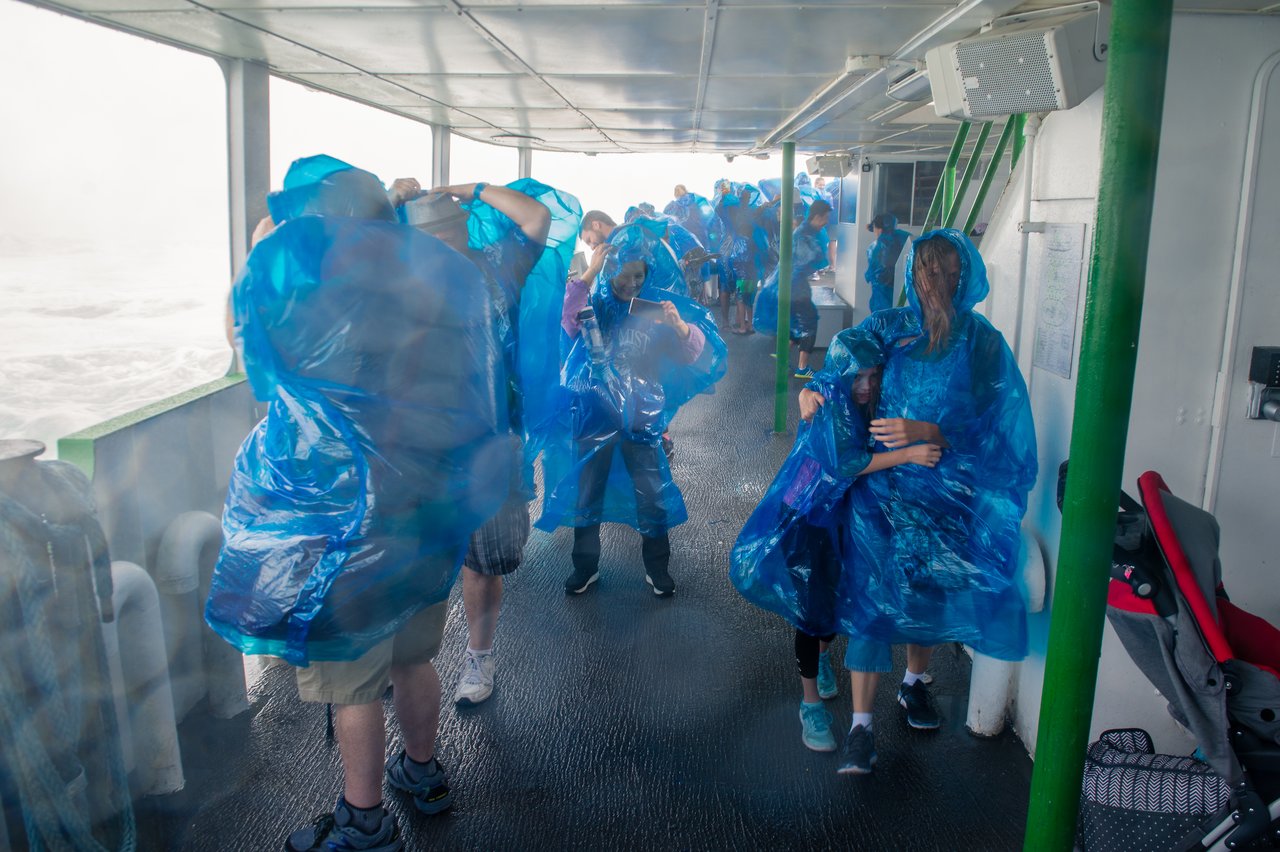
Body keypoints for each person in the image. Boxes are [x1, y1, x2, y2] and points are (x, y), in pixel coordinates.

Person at [209, 156, 512, 851]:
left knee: (352, 682)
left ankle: (365, 823)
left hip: (342, 521)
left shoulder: (303, 278)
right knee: (413, 656)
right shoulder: (439, 272)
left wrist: (261, 248)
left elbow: (243, 350)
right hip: (427, 507)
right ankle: (424, 772)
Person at [833, 229, 1037, 775]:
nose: (942, 283)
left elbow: (1000, 425)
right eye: (931, 272)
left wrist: (932, 430)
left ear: (967, 276)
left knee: (924, 588)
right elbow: (843, 363)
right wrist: (815, 388)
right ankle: (860, 727)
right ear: (913, 274)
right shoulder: (889, 328)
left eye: (953, 273)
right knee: (872, 599)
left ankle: (914, 682)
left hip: (943, 492)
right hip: (882, 490)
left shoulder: (981, 341)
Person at [732, 329, 941, 754]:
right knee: (812, 613)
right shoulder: (829, 398)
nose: (864, 386)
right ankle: (809, 703)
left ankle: (825, 658)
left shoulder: (868, 396)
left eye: (872, 375)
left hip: (844, 517)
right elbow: (846, 463)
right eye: (856, 377)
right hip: (808, 515)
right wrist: (908, 453)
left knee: (833, 605)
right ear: (839, 374)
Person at [393, 177, 555, 708]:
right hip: (416, 447)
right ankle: (405, 660)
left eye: (448, 227)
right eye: (430, 234)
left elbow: (536, 218)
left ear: (462, 226)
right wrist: (388, 201)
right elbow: (317, 249)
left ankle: (478, 656)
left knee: (485, 561)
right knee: (413, 555)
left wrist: (475, 187)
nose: (442, 240)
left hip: (489, 442)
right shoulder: (396, 280)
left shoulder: (495, 269)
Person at [538, 230, 726, 597]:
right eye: (624, 273)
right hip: (594, 415)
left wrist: (679, 327)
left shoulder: (654, 309)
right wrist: (590, 271)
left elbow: (694, 354)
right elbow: (565, 314)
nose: (631, 282)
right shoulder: (595, 303)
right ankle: (585, 566)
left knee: (652, 493)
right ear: (609, 269)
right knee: (588, 492)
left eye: (639, 275)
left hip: (641, 415)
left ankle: (658, 569)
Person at [753, 199, 832, 379]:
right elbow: (810, 261)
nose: (827, 221)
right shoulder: (805, 235)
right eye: (825, 217)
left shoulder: (805, 231)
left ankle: (782, 354)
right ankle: (803, 367)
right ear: (818, 216)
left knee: (796, 322)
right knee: (809, 323)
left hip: (788, 284)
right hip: (794, 286)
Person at [864, 212, 911, 313]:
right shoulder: (902, 237)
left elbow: (873, 273)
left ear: (879, 229)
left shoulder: (876, 247)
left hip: (882, 295)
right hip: (902, 291)